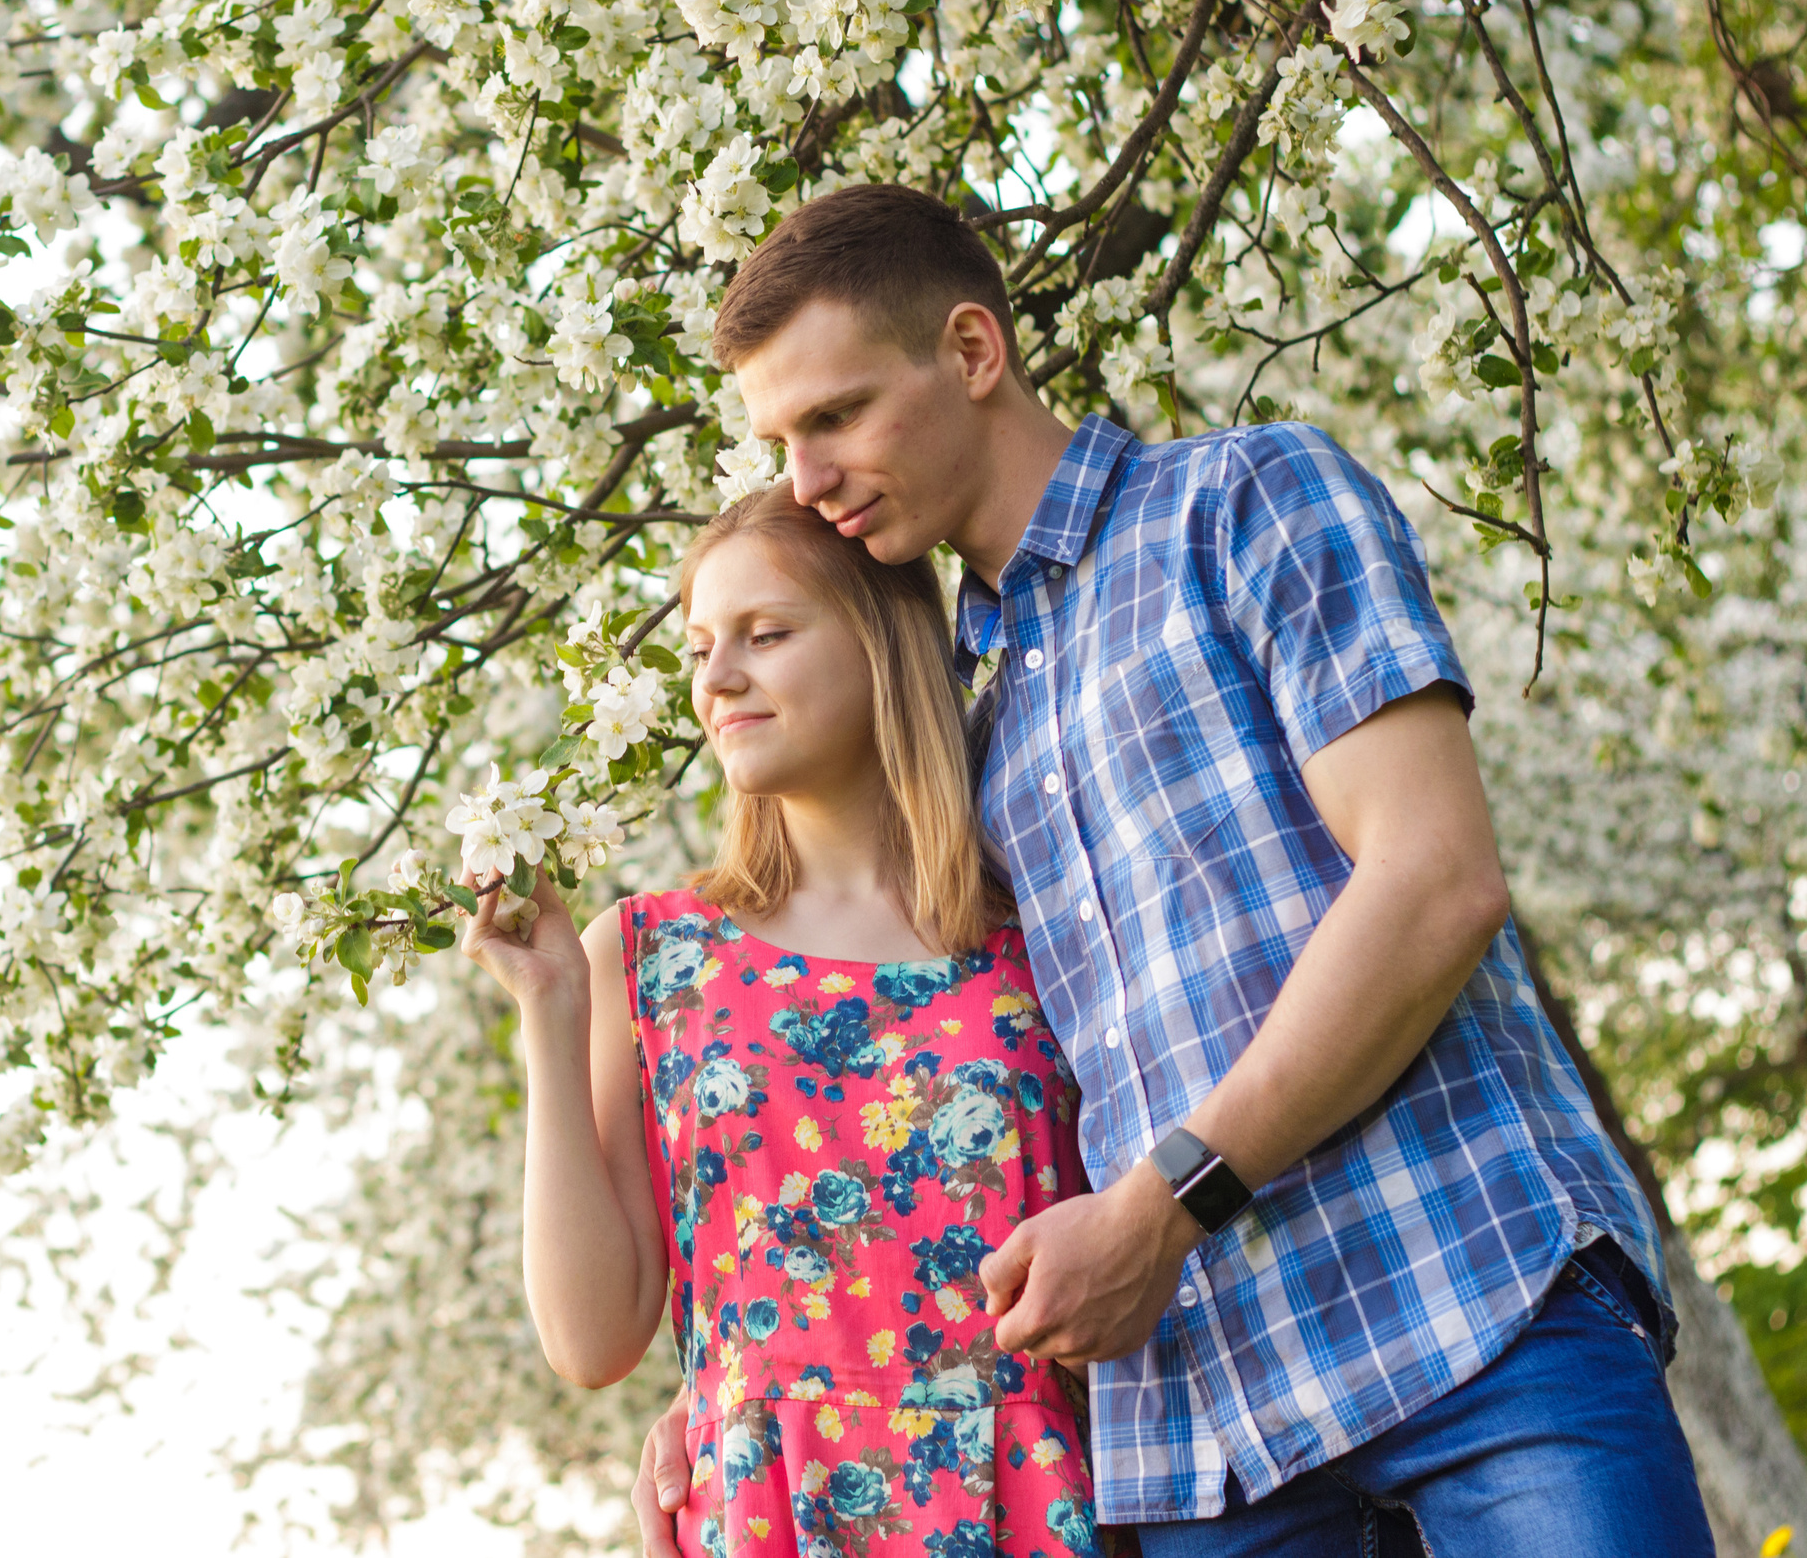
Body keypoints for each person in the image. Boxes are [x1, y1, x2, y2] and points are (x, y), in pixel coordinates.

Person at [626, 183, 1711, 1558]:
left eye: (834, 415)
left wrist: (1163, 1205)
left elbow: (1435, 878)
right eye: (781, 439)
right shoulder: (957, 729)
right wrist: (724, 1375)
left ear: (973, 351)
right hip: (1209, 1434)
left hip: (1469, 1297)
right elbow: (935, 1091)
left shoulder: (1245, 500)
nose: (804, 479)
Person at [460, 488, 1107, 1556]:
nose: (716, 680)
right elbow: (590, 1338)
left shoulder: (1040, 927)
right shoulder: (652, 952)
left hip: (1028, 1505)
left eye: (765, 635)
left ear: (881, 644)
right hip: (768, 1507)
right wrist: (549, 1014)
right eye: (702, 646)